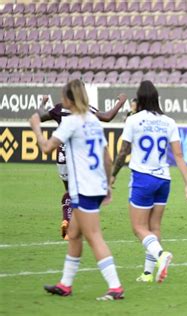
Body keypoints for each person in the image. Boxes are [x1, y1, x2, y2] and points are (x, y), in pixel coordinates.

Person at [30, 79, 124, 300]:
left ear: (69, 99)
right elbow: (106, 156)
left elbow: (46, 148)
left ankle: (115, 287)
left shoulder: (71, 122)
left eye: (63, 96)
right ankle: (65, 284)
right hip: (93, 185)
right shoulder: (92, 120)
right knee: (73, 234)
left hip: (84, 187)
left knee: (93, 237)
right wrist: (108, 184)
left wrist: (35, 125)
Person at [111, 81, 187, 283]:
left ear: (139, 99)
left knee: (138, 227)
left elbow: (124, 151)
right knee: (154, 226)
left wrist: (113, 174)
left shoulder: (133, 120)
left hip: (142, 177)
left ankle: (161, 255)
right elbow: (179, 155)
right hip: (163, 179)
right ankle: (148, 274)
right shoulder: (169, 122)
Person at [37, 92, 127, 240]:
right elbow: (107, 117)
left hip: (62, 157)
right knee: (81, 194)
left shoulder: (60, 109)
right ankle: (78, 226)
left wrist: (43, 102)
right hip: (79, 159)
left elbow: (40, 116)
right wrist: (121, 102)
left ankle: (68, 219)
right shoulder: (87, 110)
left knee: (69, 191)